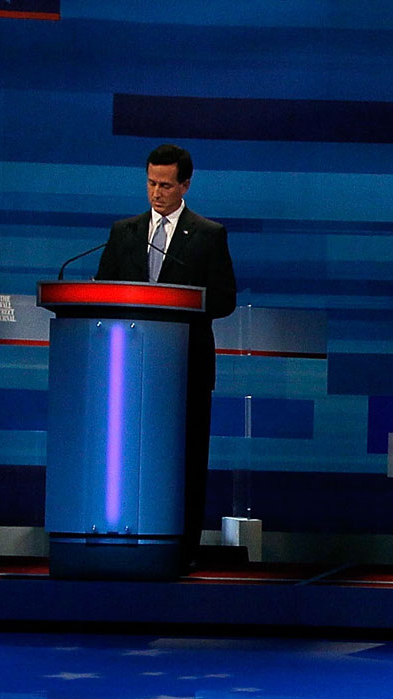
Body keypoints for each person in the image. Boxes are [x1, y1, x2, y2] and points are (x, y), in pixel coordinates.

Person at [96, 143, 238, 573]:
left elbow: (226, 298)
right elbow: (103, 288)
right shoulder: (125, 232)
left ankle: (183, 548)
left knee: (186, 459)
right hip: (129, 365)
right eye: (151, 183)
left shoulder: (209, 235)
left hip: (186, 366)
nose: (156, 193)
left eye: (165, 185)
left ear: (185, 185)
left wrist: (183, 304)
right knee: (127, 452)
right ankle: (124, 536)